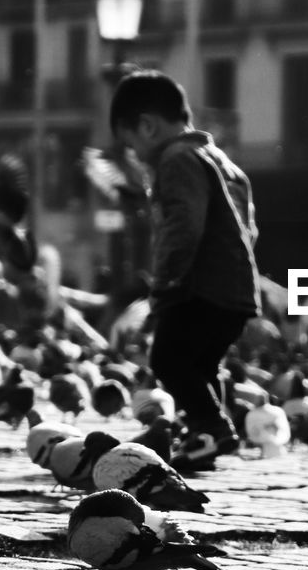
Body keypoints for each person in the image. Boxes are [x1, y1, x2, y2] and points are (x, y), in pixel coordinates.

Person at [109, 70, 261, 467]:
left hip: (197, 286)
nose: (136, 156)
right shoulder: (221, 161)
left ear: (147, 126)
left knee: (169, 360)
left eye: (131, 145)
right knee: (201, 364)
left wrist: (165, 281)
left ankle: (212, 427)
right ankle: (206, 437)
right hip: (235, 290)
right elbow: (250, 228)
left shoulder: (176, 160)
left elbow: (183, 226)